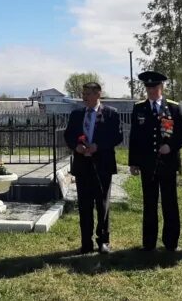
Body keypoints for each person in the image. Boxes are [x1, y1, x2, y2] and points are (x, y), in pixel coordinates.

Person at [128, 71, 182, 252]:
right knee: (149, 203)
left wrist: (170, 147)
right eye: (148, 87)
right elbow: (134, 137)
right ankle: (149, 243)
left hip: (168, 162)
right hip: (147, 164)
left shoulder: (173, 108)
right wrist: (133, 162)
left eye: (154, 87)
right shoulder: (139, 108)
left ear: (161, 87)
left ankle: (171, 242)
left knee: (170, 202)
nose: (151, 90)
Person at [64, 82, 123, 254]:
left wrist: (98, 146)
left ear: (98, 94)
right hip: (82, 166)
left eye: (88, 94)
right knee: (84, 205)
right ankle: (86, 242)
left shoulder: (111, 113)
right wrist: (76, 146)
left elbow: (117, 137)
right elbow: (68, 135)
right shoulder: (76, 114)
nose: (84, 97)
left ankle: (103, 241)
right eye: (83, 94)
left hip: (102, 165)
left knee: (102, 204)